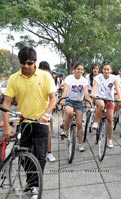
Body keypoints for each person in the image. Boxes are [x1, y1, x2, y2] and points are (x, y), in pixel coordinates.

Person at [2, 46, 56, 198]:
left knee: (40, 157)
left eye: (29, 63)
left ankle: (34, 186)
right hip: (24, 122)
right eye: (23, 63)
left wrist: (47, 113)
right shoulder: (14, 78)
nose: (26, 66)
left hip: (41, 122)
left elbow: (53, 98)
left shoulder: (45, 76)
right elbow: (6, 104)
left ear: (35, 63)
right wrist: (6, 126)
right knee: (23, 156)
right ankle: (32, 183)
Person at [59, 63, 91, 152]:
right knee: (69, 113)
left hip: (79, 102)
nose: (80, 71)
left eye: (81, 69)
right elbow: (65, 90)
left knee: (80, 124)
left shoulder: (84, 80)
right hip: (69, 100)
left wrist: (88, 101)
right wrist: (62, 99)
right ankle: (65, 131)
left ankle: (80, 144)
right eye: (78, 69)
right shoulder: (69, 78)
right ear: (74, 70)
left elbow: (85, 93)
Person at [90, 60, 121, 148]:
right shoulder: (98, 77)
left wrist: (119, 98)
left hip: (109, 100)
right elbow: (95, 86)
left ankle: (110, 140)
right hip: (99, 98)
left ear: (110, 70)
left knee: (110, 120)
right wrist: (92, 93)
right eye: (105, 69)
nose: (106, 71)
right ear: (102, 70)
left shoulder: (114, 78)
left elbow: (117, 89)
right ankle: (96, 122)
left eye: (108, 69)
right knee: (101, 105)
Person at [38, 61, 56, 162]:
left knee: (47, 132)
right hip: (35, 109)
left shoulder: (49, 78)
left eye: (45, 69)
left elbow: (53, 96)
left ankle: (49, 152)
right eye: (42, 68)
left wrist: (49, 109)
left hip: (47, 108)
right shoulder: (35, 77)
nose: (44, 71)